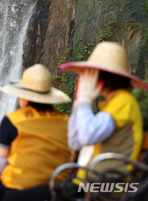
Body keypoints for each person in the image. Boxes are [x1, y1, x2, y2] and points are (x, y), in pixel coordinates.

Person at [0, 64, 71, 201]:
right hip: (57, 189)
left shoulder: (12, 120)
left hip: (17, 190)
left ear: (24, 98)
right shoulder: (67, 121)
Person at [60, 41, 148, 181]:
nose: (84, 77)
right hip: (89, 182)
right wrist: (79, 103)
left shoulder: (124, 101)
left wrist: (85, 101)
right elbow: (75, 142)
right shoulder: (112, 102)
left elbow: (87, 136)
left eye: (89, 73)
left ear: (101, 77)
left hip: (103, 186)